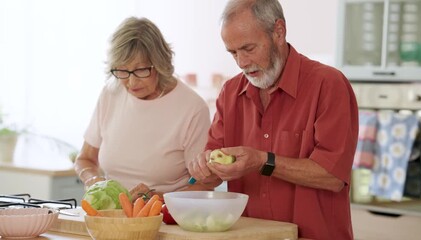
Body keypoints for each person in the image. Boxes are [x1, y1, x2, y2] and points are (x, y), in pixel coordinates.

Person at [188, 0, 359, 239]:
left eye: (248, 48)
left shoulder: (328, 84)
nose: (241, 62)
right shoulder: (230, 93)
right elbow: (212, 175)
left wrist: (263, 161)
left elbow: (333, 176)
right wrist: (205, 167)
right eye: (233, 52)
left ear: (279, 31)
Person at [74, 17, 213, 201]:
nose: (131, 82)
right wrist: (93, 180)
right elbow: (84, 159)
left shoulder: (192, 108)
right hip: (113, 217)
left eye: (140, 70)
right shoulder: (111, 93)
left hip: (165, 216)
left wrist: (157, 197)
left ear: (161, 64)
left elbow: (205, 183)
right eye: (122, 71)